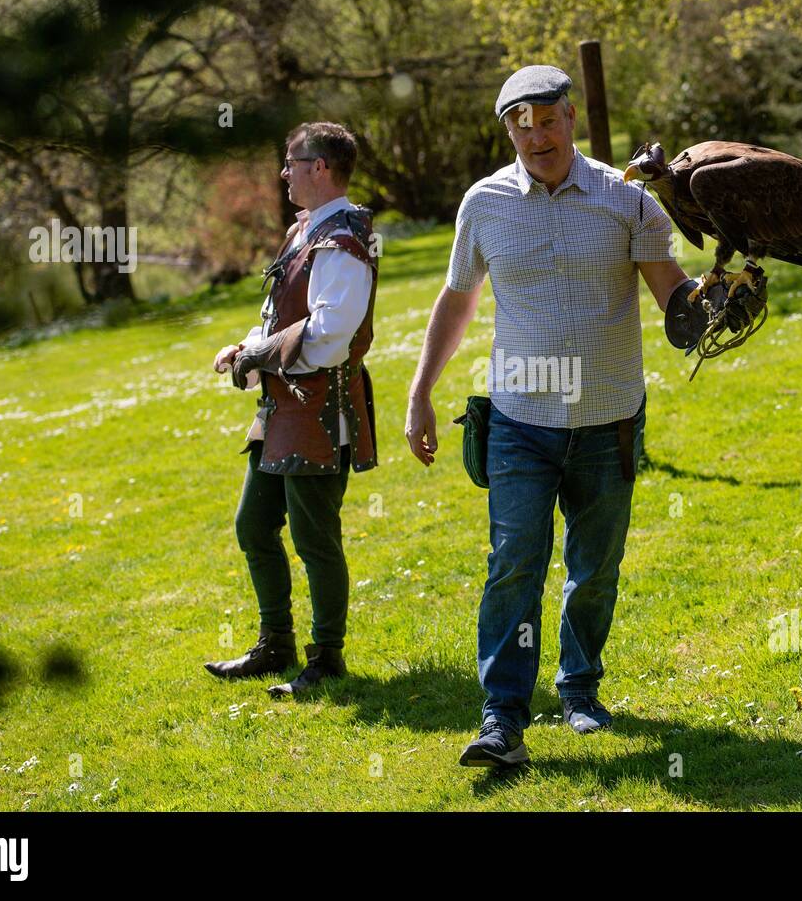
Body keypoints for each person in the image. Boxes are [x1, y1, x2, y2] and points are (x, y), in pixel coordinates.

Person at [405, 66, 693, 767]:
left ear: (571, 117)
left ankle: (579, 691)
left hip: (608, 418)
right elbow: (458, 299)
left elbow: (674, 300)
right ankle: (502, 719)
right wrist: (420, 392)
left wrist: (715, 304)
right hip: (519, 421)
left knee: (594, 569)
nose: (536, 135)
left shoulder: (628, 199)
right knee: (514, 566)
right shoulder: (485, 203)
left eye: (546, 118)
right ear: (508, 131)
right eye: (519, 124)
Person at [205, 121, 379, 699]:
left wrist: (257, 354)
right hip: (281, 407)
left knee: (315, 539)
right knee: (253, 526)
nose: (283, 173)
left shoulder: (344, 239)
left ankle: (326, 658)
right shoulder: (306, 232)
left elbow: (331, 334)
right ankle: (275, 642)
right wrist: (247, 346)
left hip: (319, 409)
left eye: (291, 162)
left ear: (320, 167)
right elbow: (282, 318)